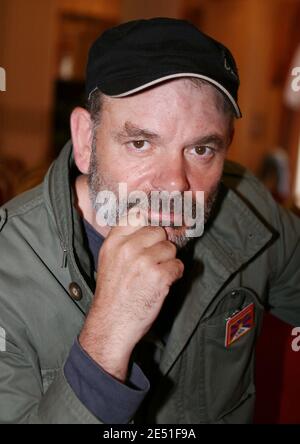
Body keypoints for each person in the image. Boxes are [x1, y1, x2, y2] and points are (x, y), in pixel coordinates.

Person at [0, 17, 299, 425]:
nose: (174, 183)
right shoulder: (8, 268)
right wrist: (106, 338)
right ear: (86, 140)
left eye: (200, 150)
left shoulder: (247, 214)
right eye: (141, 143)